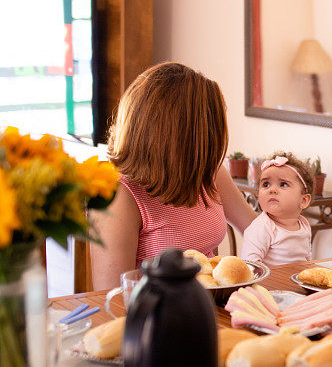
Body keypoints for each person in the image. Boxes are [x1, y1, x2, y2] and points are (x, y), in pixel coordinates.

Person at [91, 62, 258, 289]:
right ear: (178, 137)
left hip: (208, 309)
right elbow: (112, 298)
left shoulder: (207, 170)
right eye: (207, 133)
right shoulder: (117, 196)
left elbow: (257, 230)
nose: (212, 144)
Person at [240, 151, 313, 266]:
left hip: (296, 282)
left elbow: (307, 259)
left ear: (303, 201)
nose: (272, 190)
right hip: (267, 284)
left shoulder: (304, 225)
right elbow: (250, 266)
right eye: (266, 185)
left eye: (283, 184)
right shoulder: (262, 227)